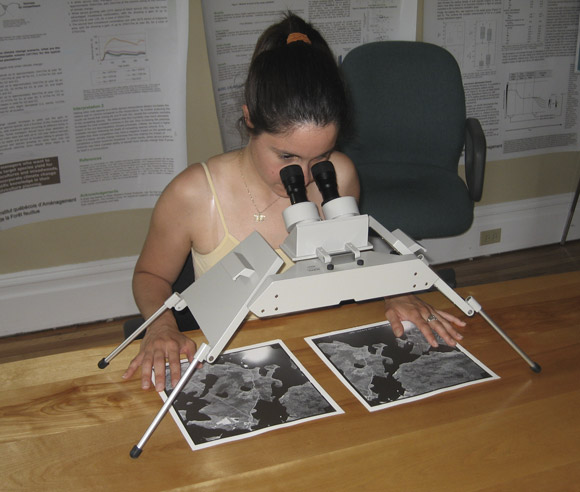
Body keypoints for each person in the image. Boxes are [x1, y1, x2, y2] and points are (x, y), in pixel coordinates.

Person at [123, 12, 465, 392]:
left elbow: (356, 257)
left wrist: (397, 292)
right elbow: (150, 276)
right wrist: (161, 326)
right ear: (250, 119)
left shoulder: (339, 174)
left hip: (317, 346)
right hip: (237, 360)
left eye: (320, 156)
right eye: (286, 158)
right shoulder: (193, 194)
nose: (304, 177)